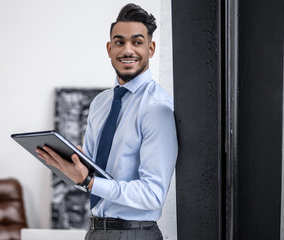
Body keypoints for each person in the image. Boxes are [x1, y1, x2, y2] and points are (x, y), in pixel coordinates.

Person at [36, 3, 178, 240]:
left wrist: (90, 182)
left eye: (137, 42)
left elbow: (153, 194)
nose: (127, 50)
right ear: (109, 48)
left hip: (135, 235)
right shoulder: (100, 103)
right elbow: (91, 176)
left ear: (151, 49)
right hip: (94, 232)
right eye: (120, 42)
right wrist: (74, 170)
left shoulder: (157, 108)